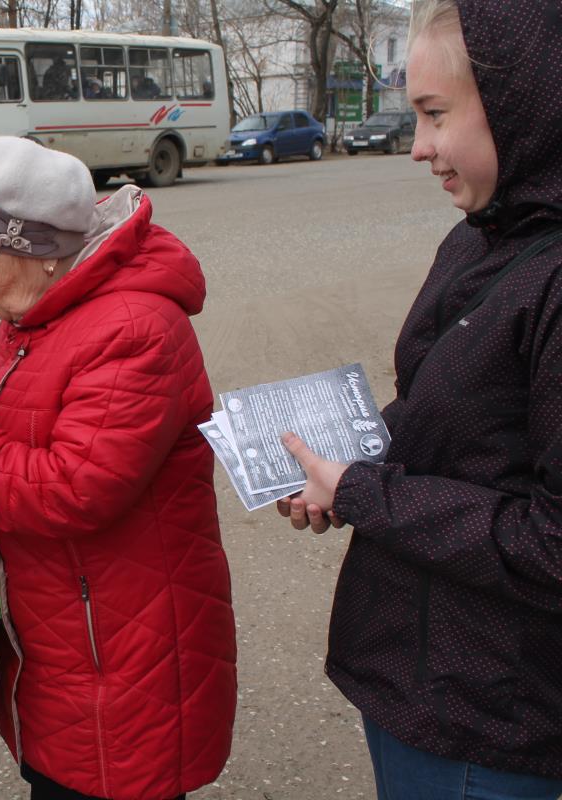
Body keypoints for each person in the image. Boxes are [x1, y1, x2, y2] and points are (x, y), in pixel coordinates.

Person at [0, 136, 237, 800]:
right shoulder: (38, 311)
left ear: (29, 248)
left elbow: (72, 488)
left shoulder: (133, 330)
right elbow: (24, 445)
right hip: (71, 638)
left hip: (122, 653)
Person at [275, 1, 562, 797]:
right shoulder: (489, 229)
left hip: (489, 718)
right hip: (418, 677)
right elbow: (448, 409)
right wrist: (344, 458)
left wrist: (365, 490)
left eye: (435, 114)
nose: (418, 148)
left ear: (525, 102)